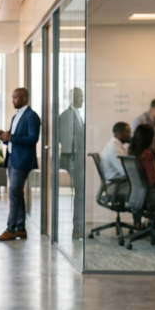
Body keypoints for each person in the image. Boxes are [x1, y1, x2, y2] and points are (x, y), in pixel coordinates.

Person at [0, 87, 40, 241]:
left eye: (16, 98)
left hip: (23, 161)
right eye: (13, 97)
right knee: (17, 193)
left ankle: (11, 229)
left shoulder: (32, 116)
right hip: (12, 159)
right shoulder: (16, 116)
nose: (13, 100)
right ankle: (20, 228)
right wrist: (5, 136)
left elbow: (33, 139)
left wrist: (11, 137)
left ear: (25, 98)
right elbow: (15, 137)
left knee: (13, 192)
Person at [57, 87, 85, 237]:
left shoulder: (78, 115)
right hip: (72, 159)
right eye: (80, 97)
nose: (82, 99)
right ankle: (77, 228)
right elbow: (65, 141)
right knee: (79, 193)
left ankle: (79, 226)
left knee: (80, 193)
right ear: (72, 98)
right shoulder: (66, 116)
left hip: (78, 158)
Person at [131, 98, 155, 168]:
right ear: (151, 110)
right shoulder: (139, 120)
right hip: (138, 153)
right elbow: (133, 139)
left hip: (152, 151)